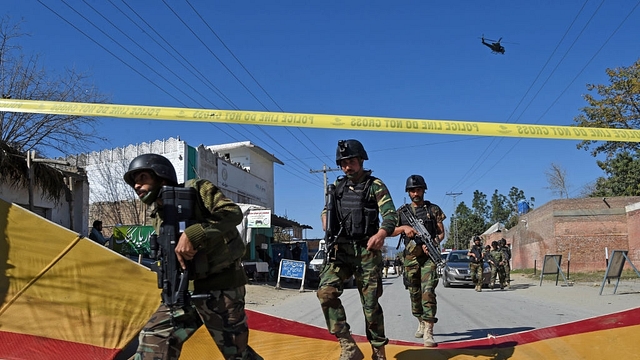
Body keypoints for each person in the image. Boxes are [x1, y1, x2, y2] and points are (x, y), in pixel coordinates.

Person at [123, 153, 262, 360]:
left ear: (162, 177)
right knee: (153, 342)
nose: (137, 186)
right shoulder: (158, 216)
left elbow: (232, 213)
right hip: (181, 292)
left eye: (143, 178)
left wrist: (194, 234)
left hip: (221, 290)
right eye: (134, 182)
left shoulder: (196, 189)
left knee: (236, 354)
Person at [317, 139, 398, 360]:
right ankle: (348, 344)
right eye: (343, 163)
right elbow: (326, 211)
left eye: (351, 161)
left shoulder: (375, 185)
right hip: (340, 251)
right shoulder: (337, 186)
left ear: (361, 160)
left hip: (366, 251)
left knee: (370, 305)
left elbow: (391, 215)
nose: (347, 167)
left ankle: (378, 352)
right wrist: (326, 220)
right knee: (326, 292)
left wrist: (381, 234)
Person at [391, 174, 445, 348]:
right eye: (412, 190)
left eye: (419, 189)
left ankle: (429, 331)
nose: (416, 193)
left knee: (428, 291)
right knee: (414, 294)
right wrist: (404, 228)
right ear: (408, 192)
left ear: (424, 190)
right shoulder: (402, 212)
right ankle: (420, 320)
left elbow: (441, 232)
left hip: (429, 257)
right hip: (410, 258)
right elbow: (389, 230)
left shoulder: (434, 209)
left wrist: (434, 243)